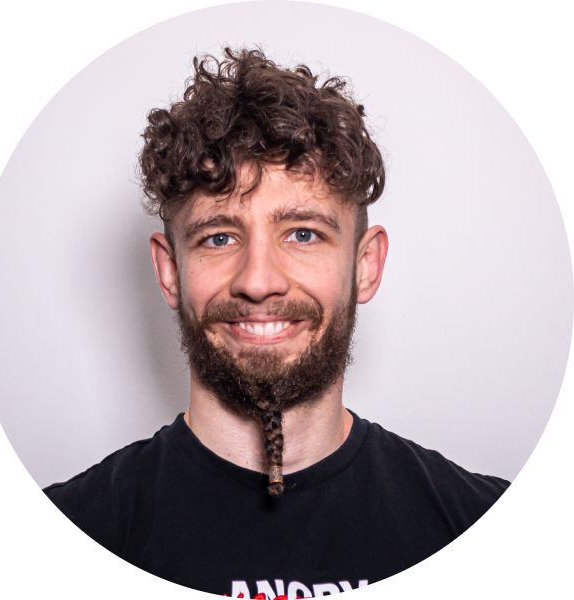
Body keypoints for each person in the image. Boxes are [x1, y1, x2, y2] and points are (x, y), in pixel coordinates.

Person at [44, 48, 509, 599]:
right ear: (170, 272)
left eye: (303, 234)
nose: (259, 281)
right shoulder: (63, 541)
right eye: (219, 237)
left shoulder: (486, 532)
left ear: (365, 265)